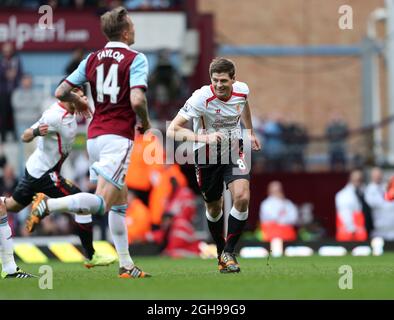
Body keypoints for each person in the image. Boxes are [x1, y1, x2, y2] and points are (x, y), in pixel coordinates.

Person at [26, 6, 152, 279]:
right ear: (126, 31)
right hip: (118, 137)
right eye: (132, 25)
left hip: (95, 137)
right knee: (102, 203)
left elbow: (60, 90)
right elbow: (138, 100)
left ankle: (126, 264)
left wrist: (79, 100)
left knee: (119, 200)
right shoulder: (136, 58)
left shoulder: (92, 58)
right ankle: (50, 205)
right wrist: (145, 121)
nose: (135, 30)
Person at [0, 85, 115, 279]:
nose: (83, 99)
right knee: (83, 201)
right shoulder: (54, 116)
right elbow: (25, 135)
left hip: (34, 170)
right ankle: (91, 255)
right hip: (45, 174)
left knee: (10, 206)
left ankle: (10, 266)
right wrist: (36, 132)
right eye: (79, 96)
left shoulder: (71, 113)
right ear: (69, 98)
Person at [167, 57, 261, 273]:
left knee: (242, 196)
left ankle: (229, 251)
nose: (219, 85)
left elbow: (243, 105)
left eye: (223, 81)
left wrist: (250, 133)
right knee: (214, 205)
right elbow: (173, 129)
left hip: (234, 147)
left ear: (233, 80)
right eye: (215, 80)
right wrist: (204, 139)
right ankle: (220, 253)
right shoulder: (201, 98)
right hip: (206, 152)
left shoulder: (242, 90)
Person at [335, 169, 368, 241]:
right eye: (355, 179)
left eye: (360, 179)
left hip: (360, 233)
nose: (358, 181)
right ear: (350, 179)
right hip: (349, 234)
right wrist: (352, 229)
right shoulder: (344, 195)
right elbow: (345, 214)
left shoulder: (362, 192)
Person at [365, 167, 394, 240]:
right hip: (378, 229)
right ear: (371, 176)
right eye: (375, 175)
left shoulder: (386, 187)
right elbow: (377, 204)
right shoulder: (369, 190)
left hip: (391, 228)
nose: (378, 177)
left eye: (379, 174)